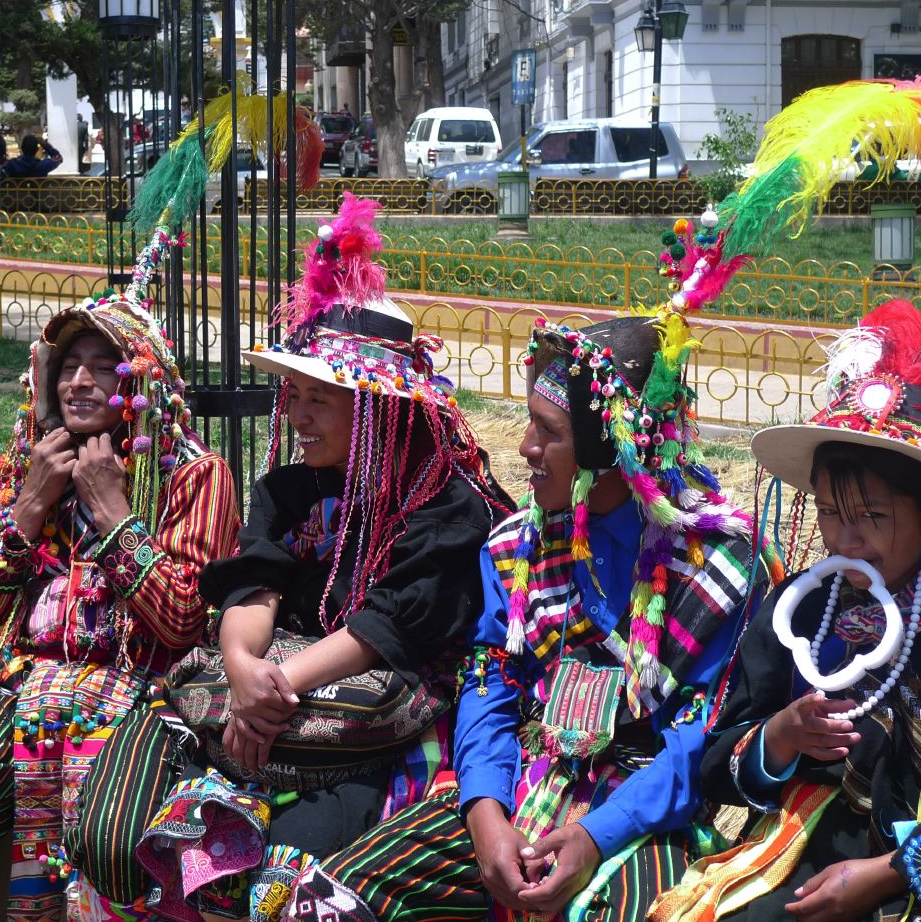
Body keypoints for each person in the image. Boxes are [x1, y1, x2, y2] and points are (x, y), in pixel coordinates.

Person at [284, 219, 779, 922]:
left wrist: (594, 835)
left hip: (638, 817)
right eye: (527, 423)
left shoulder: (719, 563)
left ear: (613, 450)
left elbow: (699, 736)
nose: (523, 448)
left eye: (548, 432)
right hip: (518, 788)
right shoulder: (515, 548)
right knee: (336, 896)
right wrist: (486, 815)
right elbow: (489, 686)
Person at [67, 194, 511, 921]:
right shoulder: (287, 489)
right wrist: (242, 666)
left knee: (283, 882)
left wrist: (270, 692)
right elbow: (255, 586)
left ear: (378, 407)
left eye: (318, 400)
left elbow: (385, 627)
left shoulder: (445, 503)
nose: (297, 417)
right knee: (114, 838)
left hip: (367, 728)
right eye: (292, 395)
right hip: (268, 703)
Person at [0, 293, 241, 922]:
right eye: (68, 366)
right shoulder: (37, 465)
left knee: (113, 842)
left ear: (143, 384)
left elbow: (182, 623)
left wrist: (114, 515)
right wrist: (29, 505)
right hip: (24, 687)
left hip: (144, 693)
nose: (79, 381)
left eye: (103, 367)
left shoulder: (194, 476)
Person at [650, 300, 921, 922]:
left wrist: (886, 876)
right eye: (831, 512)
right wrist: (779, 737)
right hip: (806, 851)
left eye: (872, 516)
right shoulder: (801, 612)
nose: (845, 541)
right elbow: (719, 758)